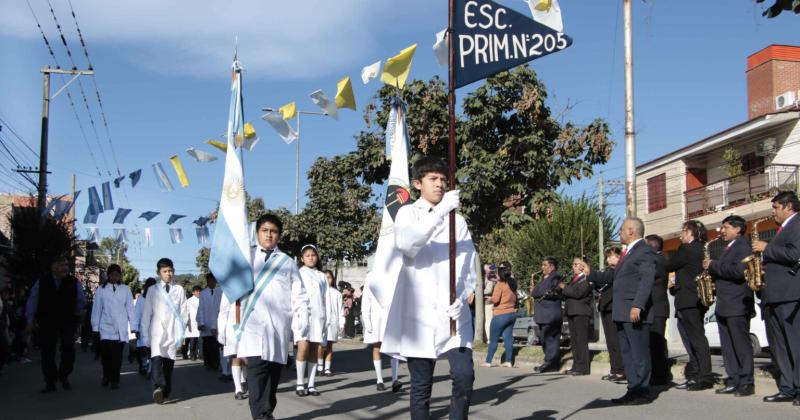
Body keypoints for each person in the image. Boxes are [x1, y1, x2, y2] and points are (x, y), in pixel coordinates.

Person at [381, 156, 477, 420]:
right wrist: (440, 212)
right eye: (433, 179)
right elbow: (407, 244)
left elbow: (468, 262)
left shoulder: (458, 220)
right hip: (419, 316)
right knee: (422, 386)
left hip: (453, 315)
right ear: (417, 184)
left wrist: (464, 295)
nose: (440, 185)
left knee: (464, 376)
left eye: (443, 180)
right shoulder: (407, 213)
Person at [239, 213, 310, 420]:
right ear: (257, 233)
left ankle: (266, 410)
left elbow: (299, 297)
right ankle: (262, 415)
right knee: (257, 375)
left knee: (272, 378)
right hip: (252, 327)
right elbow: (232, 293)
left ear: (279, 235)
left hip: (278, 328)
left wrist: (301, 328)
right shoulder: (246, 258)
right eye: (265, 231)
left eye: (274, 231)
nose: (269, 235)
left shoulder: (287, 262)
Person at [592, 217, 657, 405]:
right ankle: (632, 388)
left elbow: (647, 279)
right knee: (627, 353)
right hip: (622, 312)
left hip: (634, 310)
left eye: (621, 229)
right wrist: (590, 273)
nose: (619, 232)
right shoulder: (627, 253)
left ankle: (642, 391)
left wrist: (638, 304)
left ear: (631, 231)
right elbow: (612, 276)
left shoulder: (644, 251)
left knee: (639, 353)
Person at [751, 191, 800, 405]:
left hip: (790, 295)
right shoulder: (782, 229)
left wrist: (767, 248)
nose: (773, 212)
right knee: (779, 347)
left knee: (795, 345)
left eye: (776, 207)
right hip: (774, 296)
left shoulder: (797, 224)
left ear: (788, 206)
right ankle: (787, 387)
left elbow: (794, 254)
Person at [702, 215, 754, 397]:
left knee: (741, 345)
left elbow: (739, 271)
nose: (721, 231)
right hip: (725, 302)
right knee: (728, 346)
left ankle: (746, 382)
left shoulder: (743, 246)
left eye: (725, 227)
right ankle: (733, 379)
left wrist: (713, 265)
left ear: (737, 229)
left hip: (737, 302)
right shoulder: (729, 247)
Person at [25, 254, 86, 392]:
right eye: (61, 265)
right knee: (47, 352)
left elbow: (81, 300)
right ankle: (50, 381)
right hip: (47, 320)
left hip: (67, 320)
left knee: (68, 349)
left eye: (66, 265)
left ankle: (64, 375)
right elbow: (33, 301)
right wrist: (30, 319)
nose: (65, 268)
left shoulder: (73, 281)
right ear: (53, 267)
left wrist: (78, 311)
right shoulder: (42, 281)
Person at [667, 220, 714, 391]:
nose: (680, 235)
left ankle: (703, 376)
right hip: (697, 299)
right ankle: (696, 374)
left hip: (688, 299)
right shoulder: (703, 248)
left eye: (683, 231)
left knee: (695, 339)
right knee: (694, 338)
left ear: (690, 233)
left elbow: (669, 265)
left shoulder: (686, 249)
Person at [140, 258, 188, 404]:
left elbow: (184, 313)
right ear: (158, 273)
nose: (168, 274)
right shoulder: (153, 290)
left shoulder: (179, 290)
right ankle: (156, 389)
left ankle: (165, 391)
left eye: (170, 271)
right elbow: (147, 313)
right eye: (165, 271)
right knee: (156, 361)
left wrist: (182, 334)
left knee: (168, 366)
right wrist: (144, 335)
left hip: (172, 332)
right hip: (156, 332)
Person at [91, 264, 135, 389]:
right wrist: (95, 327)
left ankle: (115, 379)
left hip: (120, 328)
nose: (114, 277)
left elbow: (130, 308)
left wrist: (132, 326)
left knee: (117, 357)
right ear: (108, 275)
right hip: (105, 327)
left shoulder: (126, 289)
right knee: (106, 356)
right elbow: (97, 309)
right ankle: (106, 375)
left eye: (117, 274)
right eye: (112, 274)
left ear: (120, 276)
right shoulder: (101, 289)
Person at [293, 244, 328, 397]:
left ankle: (311, 384)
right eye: (307, 255)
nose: (311, 258)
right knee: (303, 347)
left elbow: (325, 298)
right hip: (303, 317)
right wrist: (299, 315)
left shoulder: (321, 276)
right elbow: (294, 296)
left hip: (318, 316)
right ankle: (300, 383)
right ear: (302, 258)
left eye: (313, 255)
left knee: (315, 349)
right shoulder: (298, 274)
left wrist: (327, 318)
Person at [589, 247, 625, 382]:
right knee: (610, 342)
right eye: (607, 257)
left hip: (614, 307)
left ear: (619, 257)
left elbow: (606, 278)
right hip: (606, 307)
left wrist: (590, 271)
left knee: (616, 341)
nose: (608, 259)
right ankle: (614, 369)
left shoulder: (618, 270)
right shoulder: (609, 271)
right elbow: (600, 285)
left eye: (611, 256)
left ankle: (621, 370)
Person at [362, 273, 401, 392]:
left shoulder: (394, 273)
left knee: (394, 349)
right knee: (376, 347)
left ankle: (395, 379)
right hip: (376, 317)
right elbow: (366, 299)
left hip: (391, 316)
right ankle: (379, 380)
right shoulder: (371, 276)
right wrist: (367, 319)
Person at [644, 234, 672, 386]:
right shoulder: (656, 259)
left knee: (657, 343)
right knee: (653, 342)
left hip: (657, 306)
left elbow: (650, 276)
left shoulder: (658, 260)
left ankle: (661, 375)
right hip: (654, 307)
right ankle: (657, 373)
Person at [482, 262, 518, 368]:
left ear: (500, 274)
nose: (495, 275)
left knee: (493, 339)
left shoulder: (500, 285)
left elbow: (496, 299)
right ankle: (508, 361)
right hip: (511, 313)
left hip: (500, 314)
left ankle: (488, 361)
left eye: (496, 273)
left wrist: (489, 299)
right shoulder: (512, 284)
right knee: (508, 338)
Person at [561, 257, 593, 376]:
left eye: (576, 264)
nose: (573, 266)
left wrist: (564, 287)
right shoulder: (573, 279)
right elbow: (568, 293)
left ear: (583, 266)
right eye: (573, 264)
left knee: (581, 340)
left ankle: (583, 367)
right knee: (574, 341)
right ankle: (576, 365)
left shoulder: (586, 279)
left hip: (581, 312)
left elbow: (578, 293)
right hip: (571, 311)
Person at [532, 256, 563, 373]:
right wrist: (536, 292)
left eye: (545, 265)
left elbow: (546, 292)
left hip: (551, 314)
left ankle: (551, 363)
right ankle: (549, 361)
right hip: (543, 315)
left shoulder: (556, 277)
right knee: (545, 339)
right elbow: (535, 292)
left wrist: (537, 292)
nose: (542, 267)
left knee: (551, 340)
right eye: (542, 265)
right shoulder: (544, 278)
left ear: (552, 267)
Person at [217, 291, 248, 400]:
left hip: (249, 325)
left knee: (247, 357)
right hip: (232, 326)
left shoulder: (250, 287)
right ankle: (238, 388)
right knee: (235, 355)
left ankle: (244, 379)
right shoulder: (227, 291)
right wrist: (221, 331)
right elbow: (223, 312)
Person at [317, 270, 343, 377]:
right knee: (321, 346)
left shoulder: (337, 293)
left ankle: (327, 368)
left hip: (332, 322)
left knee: (329, 346)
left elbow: (340, 310)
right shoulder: (318, 291)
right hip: (321, 322)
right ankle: (319, 366)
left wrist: (341, 323)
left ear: (333, 279)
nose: (327, 279)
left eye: (329, 277)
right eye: (325, 277)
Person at [197, 273, 223, 371]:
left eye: (214, 281)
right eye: (210, 281)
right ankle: (208, 363)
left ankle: (216, 363)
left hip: (217, 321)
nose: (212, 283)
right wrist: (201, 322)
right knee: (207, 344)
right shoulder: (203, 293)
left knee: (216, 344)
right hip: (206, 322)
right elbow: (201, 309)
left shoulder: (220, 291)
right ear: (207, 282)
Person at [132, 278, 156, 376]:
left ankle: (149, 368)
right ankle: (143, 364)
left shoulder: (158, 298)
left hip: (155, 328)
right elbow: (137, 314)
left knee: (152, 350)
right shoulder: (141, 299)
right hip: (143, 329)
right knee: (142, 350)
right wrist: (136, 329)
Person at [183, 286, 201, 361]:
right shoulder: (189, 301)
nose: (198, 292)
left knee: (196, 339)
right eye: (196, 291)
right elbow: (186, 311)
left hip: (198, 322)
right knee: (191, 340)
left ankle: (195, 354)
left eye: (199, 291)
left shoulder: (202, 300)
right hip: (191, 322)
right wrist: (186, 321)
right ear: (193, 292)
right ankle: (191, 354)